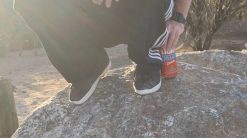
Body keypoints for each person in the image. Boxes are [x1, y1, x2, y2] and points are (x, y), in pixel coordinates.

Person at [14, 0, 191, 104]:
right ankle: (87, 66)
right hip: (100, 15)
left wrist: (179, 18)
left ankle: (146, 58)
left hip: (147, 12)